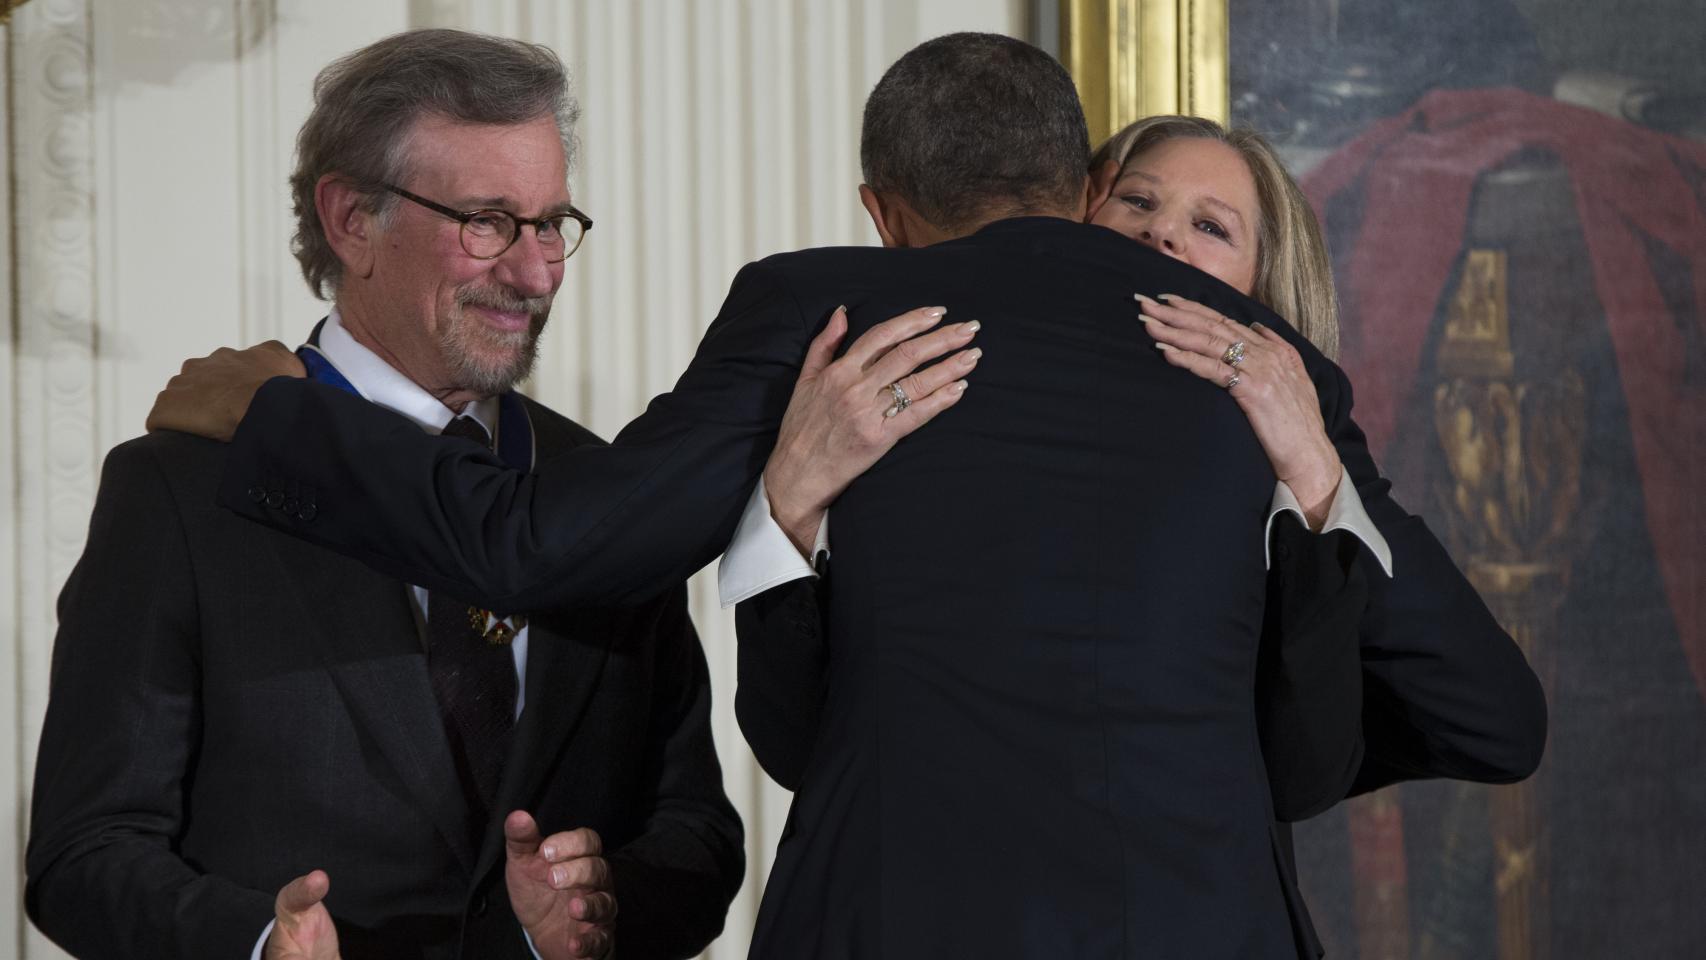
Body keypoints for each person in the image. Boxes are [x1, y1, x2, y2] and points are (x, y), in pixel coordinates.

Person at [142, 33, 1541, 958]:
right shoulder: (1256, 365)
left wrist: (276, 412)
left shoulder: (825, 311)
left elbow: (535, 545)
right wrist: (1313, 502)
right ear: (1081, 185)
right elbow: (1494, 715)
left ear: (879, 209)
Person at [24, 31, 746, 960]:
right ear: (351, 220)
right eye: (486, 221)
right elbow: (85, 853)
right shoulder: (179, 490)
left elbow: (697, 838)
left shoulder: (596, 487)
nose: (533, 275)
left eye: (550, 225)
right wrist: (254, 945)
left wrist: (599, 910)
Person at [732, 116, 1549, 824]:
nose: (1163, 237)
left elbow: (1494, 721)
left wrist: (1316, 476)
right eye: (1138, 202)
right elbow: (801, 740)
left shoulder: (1301, 444)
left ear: (1265, 298)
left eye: (1211, 227)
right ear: (1079, 216)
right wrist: (792, 508)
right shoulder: (913, 395)